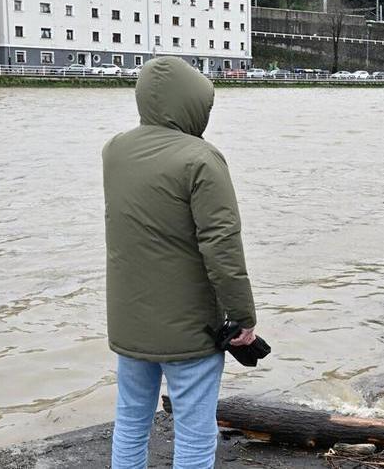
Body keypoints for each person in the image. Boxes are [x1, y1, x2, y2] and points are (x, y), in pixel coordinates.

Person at [103, 56, 257, 469]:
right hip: (190, 329)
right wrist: (242, 317)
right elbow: (221, 245)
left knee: (131, 421)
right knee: (194, 430)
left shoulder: (115, 150)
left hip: (129, 323)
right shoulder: (201, 159)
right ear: (192, 103)